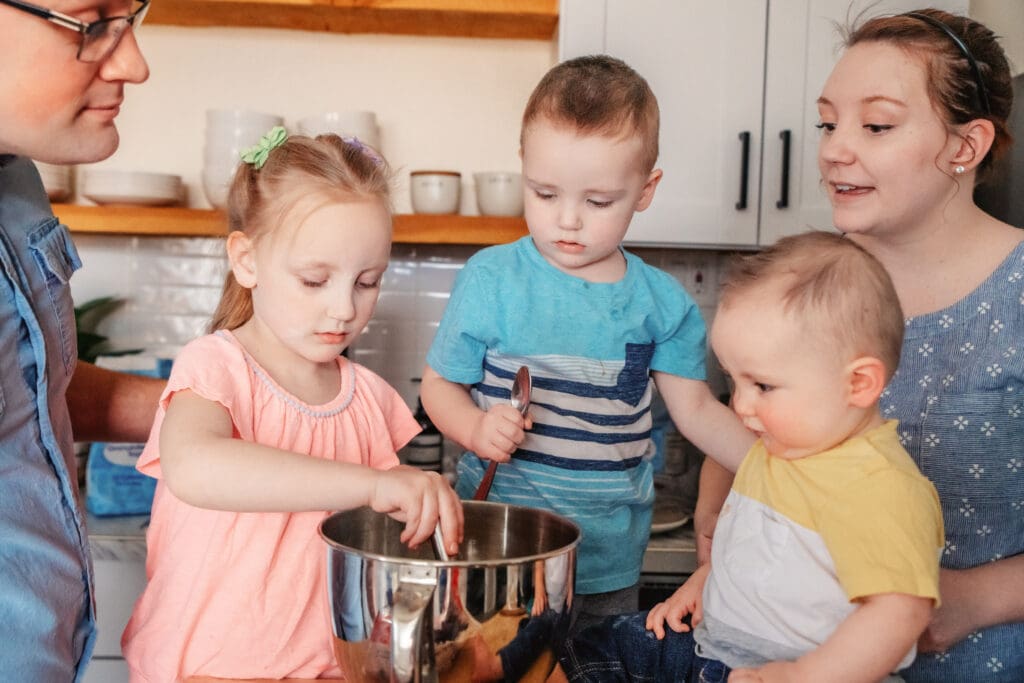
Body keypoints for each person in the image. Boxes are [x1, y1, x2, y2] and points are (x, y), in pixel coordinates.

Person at [695, 8, 1024, 682]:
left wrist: (968, 599)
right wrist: (713, 549)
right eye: (828, 122)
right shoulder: (813, 277)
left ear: (967, 145)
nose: (834, 149)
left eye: (875, 125)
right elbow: (745, 429)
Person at [420, 55, 753, 639]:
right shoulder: (492, 278)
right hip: (497, 554)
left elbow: (698, 412)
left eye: (598, 202)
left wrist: (783, 469)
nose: (567, 221)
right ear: (524, 169)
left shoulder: (662, 304)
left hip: (607, 563)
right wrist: (473, 429)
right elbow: (440, 385)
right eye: (544, 193)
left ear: (646, 190)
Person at [120, 130, 464, 681]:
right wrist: (374, 484)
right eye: (314, 280)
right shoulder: (216, 368)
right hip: (206, 671)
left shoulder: (370, 400)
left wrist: (427, 508)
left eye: (368, 281)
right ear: (247, 260)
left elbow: (384, 549)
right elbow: (195, 467)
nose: (344, 308)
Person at [555, 231, 944, 683]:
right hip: (714, 646)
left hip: (798, 668)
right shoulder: (779, 450)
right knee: (586, 649)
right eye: (733, 381)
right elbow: (759, 557)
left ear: (858, 384)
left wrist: (800, 676)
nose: (740, 405)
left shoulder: (881, 488)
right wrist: (706, 585)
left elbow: (900, 614)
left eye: (762, 386)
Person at [0, 1, 166, 679]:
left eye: (132, 19)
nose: (134, 63)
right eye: (92, 21)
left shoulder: (15, 178)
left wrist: (237, 404)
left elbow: (30, 389)